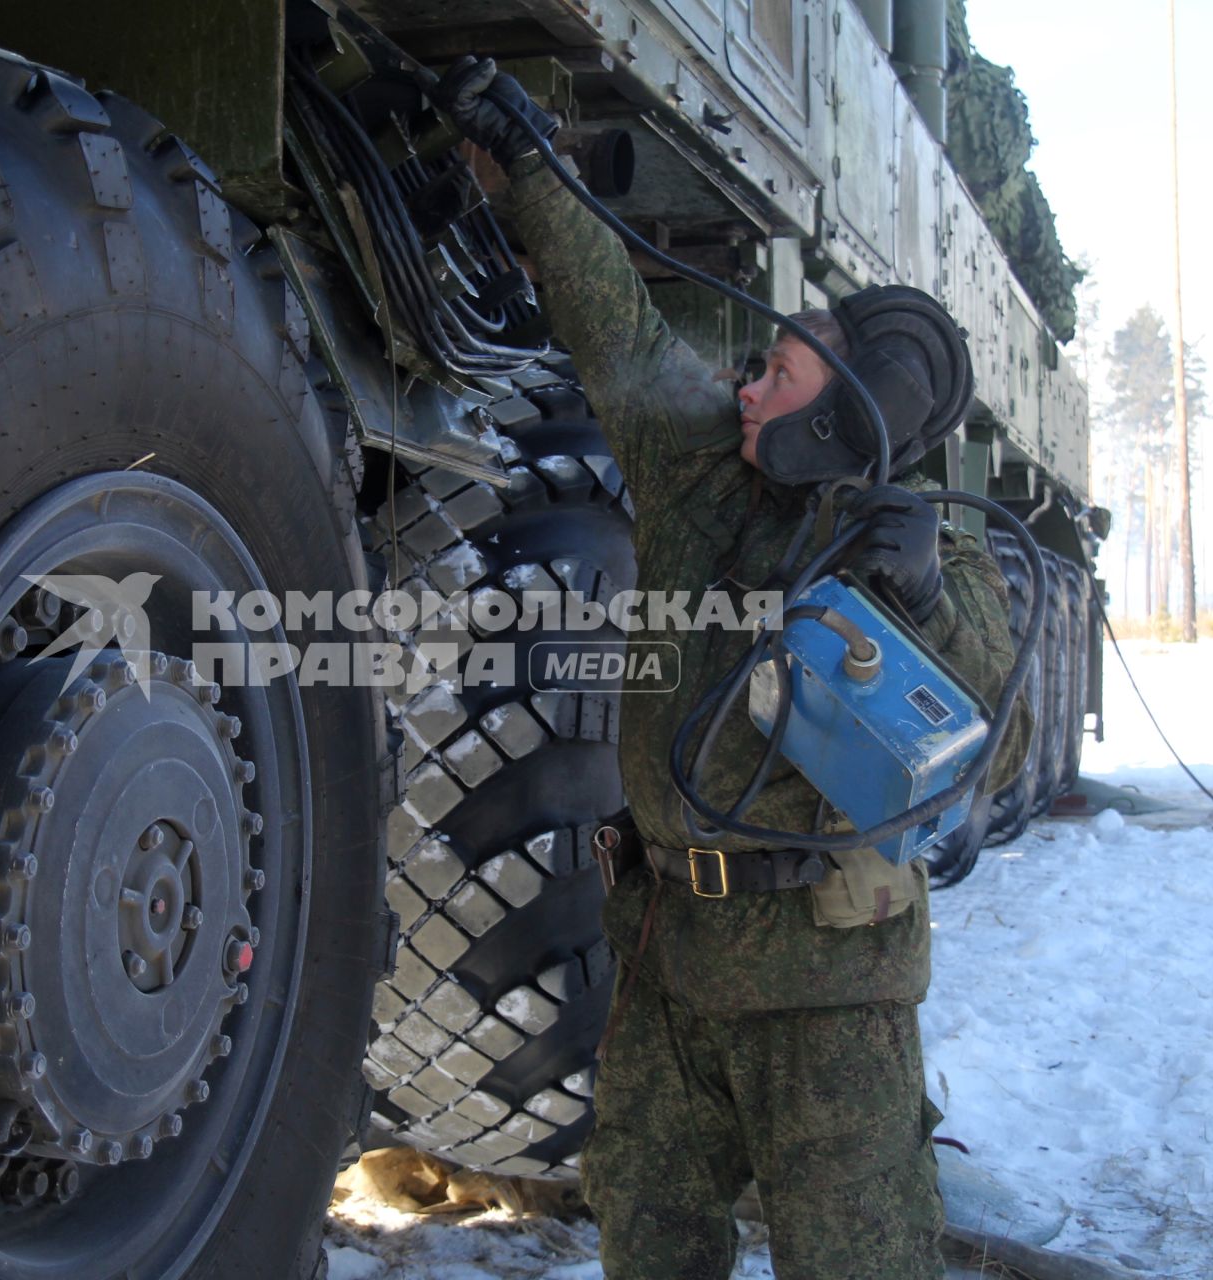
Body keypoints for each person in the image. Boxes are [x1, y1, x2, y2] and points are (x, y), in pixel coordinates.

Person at [434, 59, 1031, 1279]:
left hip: (827, 997)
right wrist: (532, 168)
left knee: (855, 1260)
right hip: (665, 960)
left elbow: (989, 748)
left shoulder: (933, 557)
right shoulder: (703, 469)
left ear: (843, 414)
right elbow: (618, 325)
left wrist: (915, 594)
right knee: (651, 1245)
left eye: (780, 375)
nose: (748, 384)